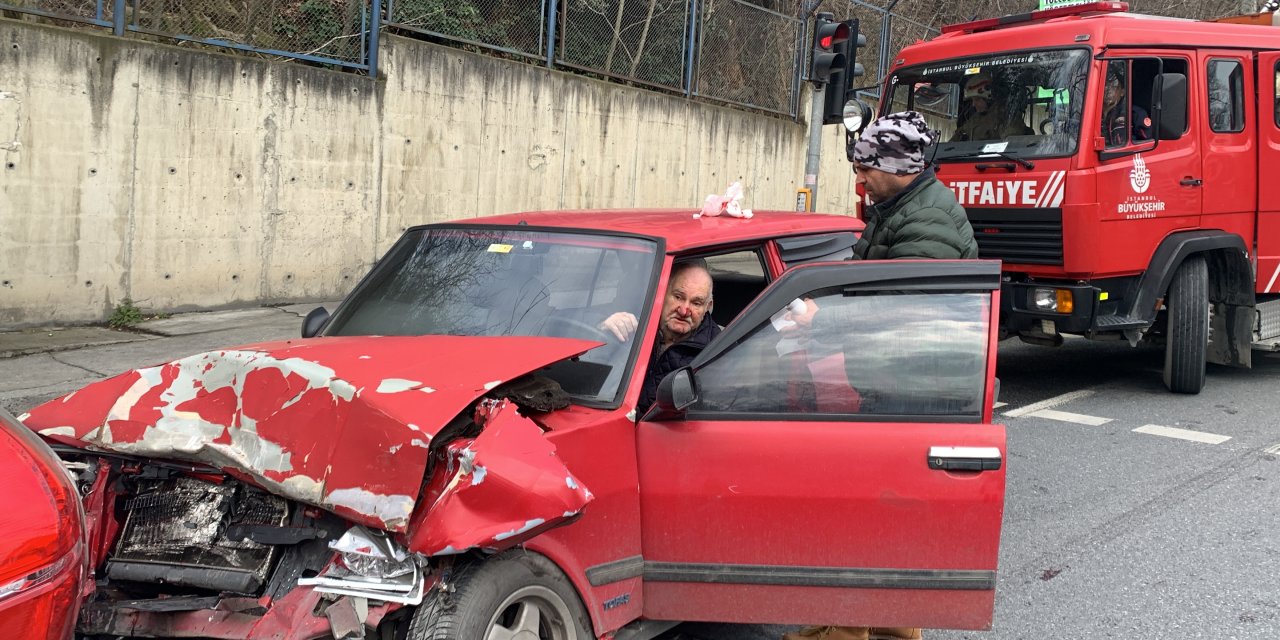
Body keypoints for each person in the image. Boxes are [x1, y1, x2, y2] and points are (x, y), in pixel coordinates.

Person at [781, 112, 979, 640]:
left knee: (876, 519)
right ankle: (883, 629)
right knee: (890, 519)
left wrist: (822, 321)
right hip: (904, 386)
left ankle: (850, 633)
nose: (860, 177)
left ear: (898, 165)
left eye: (866, 166)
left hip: (913, 393)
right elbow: (874, 289)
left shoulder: (925, 224)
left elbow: (899, 315)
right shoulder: (905, 209)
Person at [598, 260, 719, 412]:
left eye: (696, 303)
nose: (684, 310)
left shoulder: (717, 352)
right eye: (678, 297)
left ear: (708, 307)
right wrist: (603, 328)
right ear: (662, 294)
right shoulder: (635, 324)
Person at [950, 72, 1033, 141]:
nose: (973, 104)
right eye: (972, 100)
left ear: (989, 98)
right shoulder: (975, 119)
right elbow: (955, 140)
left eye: (977, 99)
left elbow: (1010, 146)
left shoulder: (1006, 117)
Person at [1102, 65, 1152, 146]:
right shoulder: (1092, 113)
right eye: (1106, 85)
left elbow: (1149, 143)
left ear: (1122, 92)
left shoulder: (1134, 114)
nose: (1108, 89)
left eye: (1114, 86)